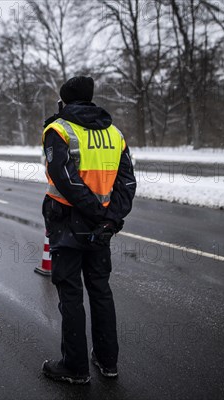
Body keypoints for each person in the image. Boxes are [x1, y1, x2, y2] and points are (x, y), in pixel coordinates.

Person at [41, 76, 136, 384]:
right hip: (101, 227)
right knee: (101, 292)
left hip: (68, 222)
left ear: (64, 101)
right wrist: (110, 219)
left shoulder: (58, 130)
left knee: (70, 294)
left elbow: (64, 179)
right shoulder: (114, 133)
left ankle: (75, 367)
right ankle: (108, 362)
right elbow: (127, 182)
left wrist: (97, 214)